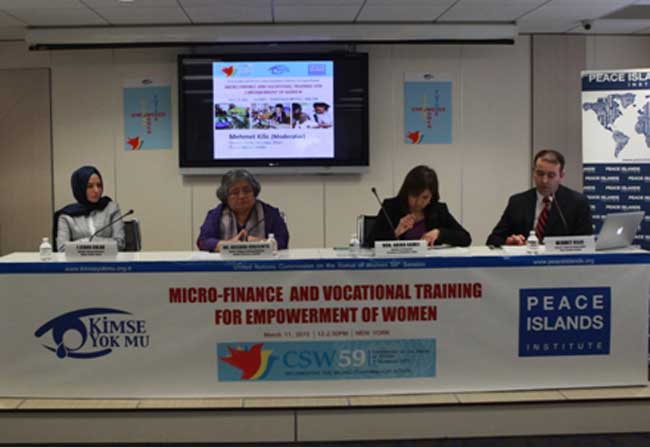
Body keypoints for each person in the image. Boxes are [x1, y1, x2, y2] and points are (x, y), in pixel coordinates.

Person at [486, 149, 593, 246]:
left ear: (561, 176)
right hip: (525, 260)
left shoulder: (577, 203)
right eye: (540, 174)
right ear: (533, 172)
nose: (544, 180)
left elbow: (586, 244)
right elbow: (493, 239)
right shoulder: (518, 202)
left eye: (551, 175)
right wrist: (508, 241)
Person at [368, 165, 471, 247]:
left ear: (432, 196)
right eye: (414, 196)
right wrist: (396, 232)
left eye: (425, 197)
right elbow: (370, 242)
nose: (418, 202)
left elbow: (466, 238)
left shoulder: (438, 210)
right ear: (407, 192)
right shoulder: (391, 207)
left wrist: (439, 233)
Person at [197, 169, 289, 252]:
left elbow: (283, 240)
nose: (242, 196)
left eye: (247, 191)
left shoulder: (270, 213)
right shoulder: (216, 214)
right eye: (235, 192)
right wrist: (228, 245)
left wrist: (261, 243)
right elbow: (203, 241)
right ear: (226, 196)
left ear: (254, 193)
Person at [54, 166, 125, 252]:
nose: (96, 190)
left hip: (109, 260)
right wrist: (89, 241)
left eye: (99, 185)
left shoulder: (112, 208)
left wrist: (91, 241)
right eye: (90, 186)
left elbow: (120, 243)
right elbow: (62, 248)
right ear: (80, 188)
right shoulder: (66, 216)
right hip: (78, 260)